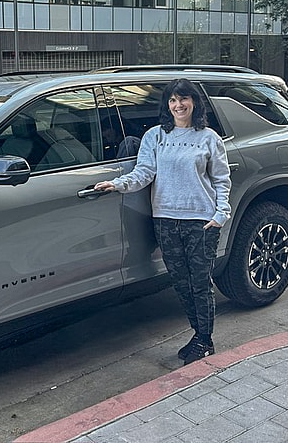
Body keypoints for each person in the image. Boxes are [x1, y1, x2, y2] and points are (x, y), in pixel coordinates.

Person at [94, 78, 231, 365]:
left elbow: (221, 179)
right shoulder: (155, 136)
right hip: (166, 220)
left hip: (201, 221)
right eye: (172, 100)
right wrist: (118, 184)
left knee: (200, 284)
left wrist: (220, 215)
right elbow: (145, 172)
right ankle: (198, 334)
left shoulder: (208, 138)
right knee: (181, 282)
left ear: (194, 102)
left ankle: (205, 341)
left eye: (183, 99)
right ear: (166, 104)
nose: (178, 105)